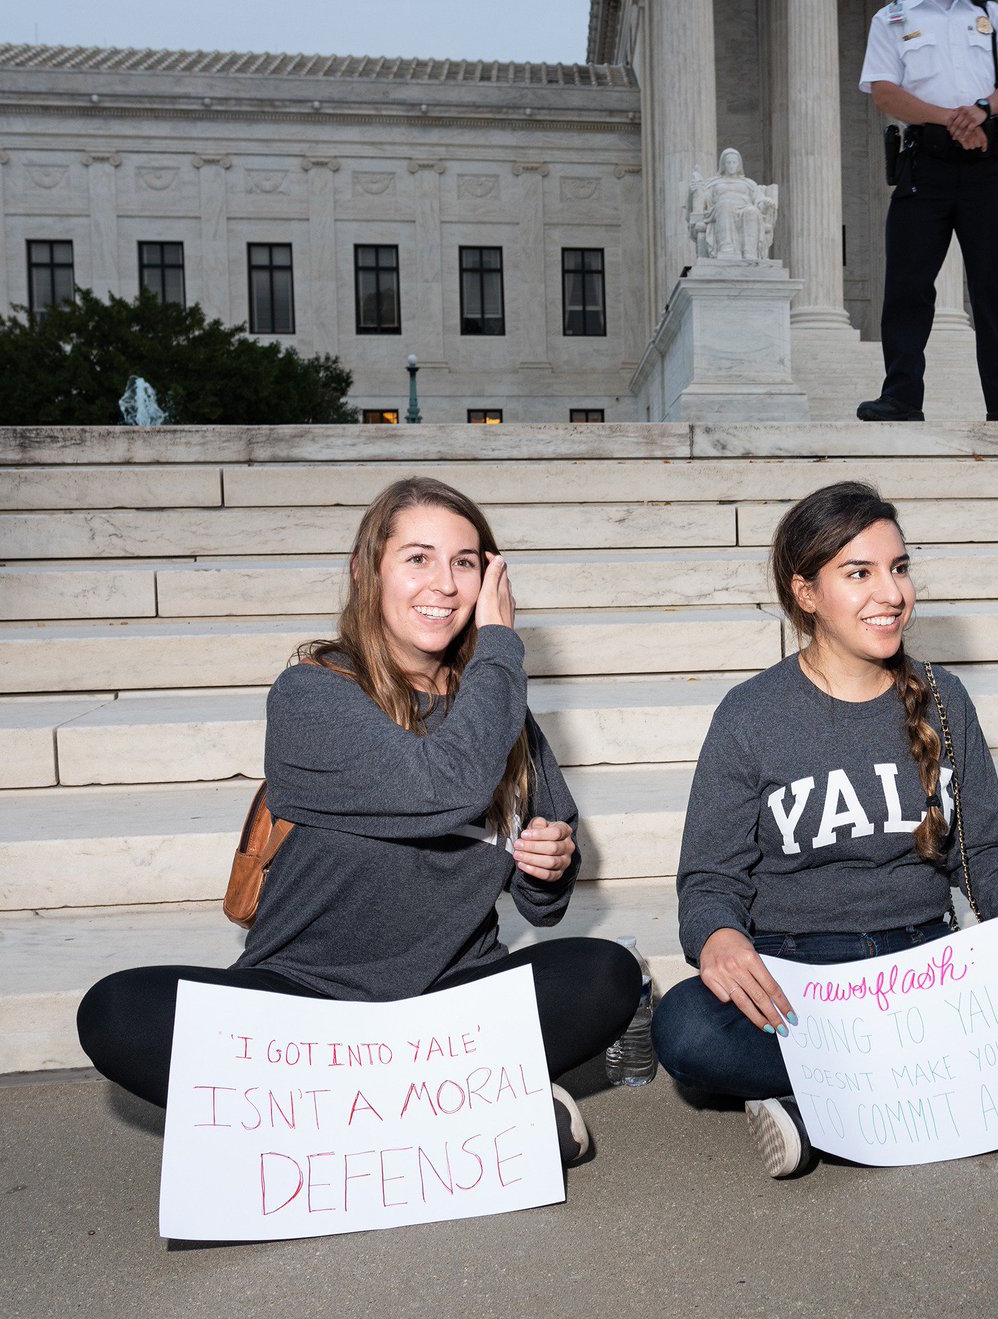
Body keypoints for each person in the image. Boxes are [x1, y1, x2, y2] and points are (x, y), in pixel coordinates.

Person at [76, 477, 640, 1161]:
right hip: (306, 1006)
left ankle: (343, 1116)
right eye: (418, 558)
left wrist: (548, 867)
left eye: (464, 562)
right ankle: (461, 1106)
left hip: (450, 1001)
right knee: (117, 1011)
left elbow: (541, 907)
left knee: (605, 973)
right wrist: (499, 641)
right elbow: (445, 789)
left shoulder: (499, 710)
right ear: (365, 571)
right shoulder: (312, 695)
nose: (444, 583)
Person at [652, 481, 998, 1177]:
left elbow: (983, 857)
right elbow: (709, 881)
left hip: (926, 969)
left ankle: (821, 1102)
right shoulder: (749, 715)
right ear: (805, 592)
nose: (892, 593)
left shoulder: (944, 699)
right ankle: (944, 1079)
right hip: (802, 981)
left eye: (899, 568)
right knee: (686, 1029)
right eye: (859, 573)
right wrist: (718, 937)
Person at [856, 0, 998, 424]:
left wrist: (981, 109)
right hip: (924, 166)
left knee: (994, 284)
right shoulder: (892, 19)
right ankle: (900, 396)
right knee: (908, 284)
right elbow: (885, 92)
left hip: (986, 166)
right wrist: (952, 118)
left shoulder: (990, 14)